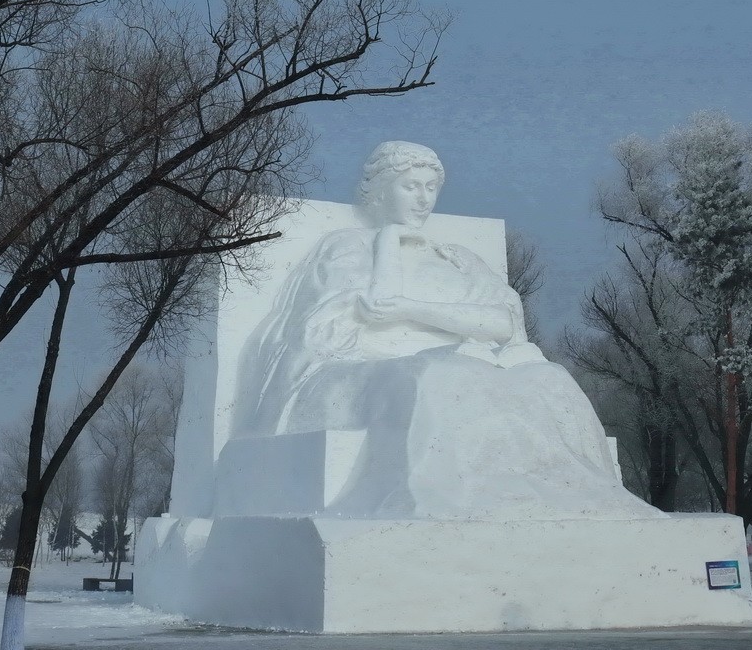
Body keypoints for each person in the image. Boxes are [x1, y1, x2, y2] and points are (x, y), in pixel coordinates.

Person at [236, 141, 657, 520]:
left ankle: (577, 501)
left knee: (551, 379)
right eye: (410, 187)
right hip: (361, 370)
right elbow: (369, 311)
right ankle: (452, 501)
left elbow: (501, 323)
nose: (423, 200)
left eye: (430, 188)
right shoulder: (349, 245)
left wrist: (411, 310)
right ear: (381, 190)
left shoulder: (457, 257)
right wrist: (389, 242)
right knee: (444, 375)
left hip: (467, 360)